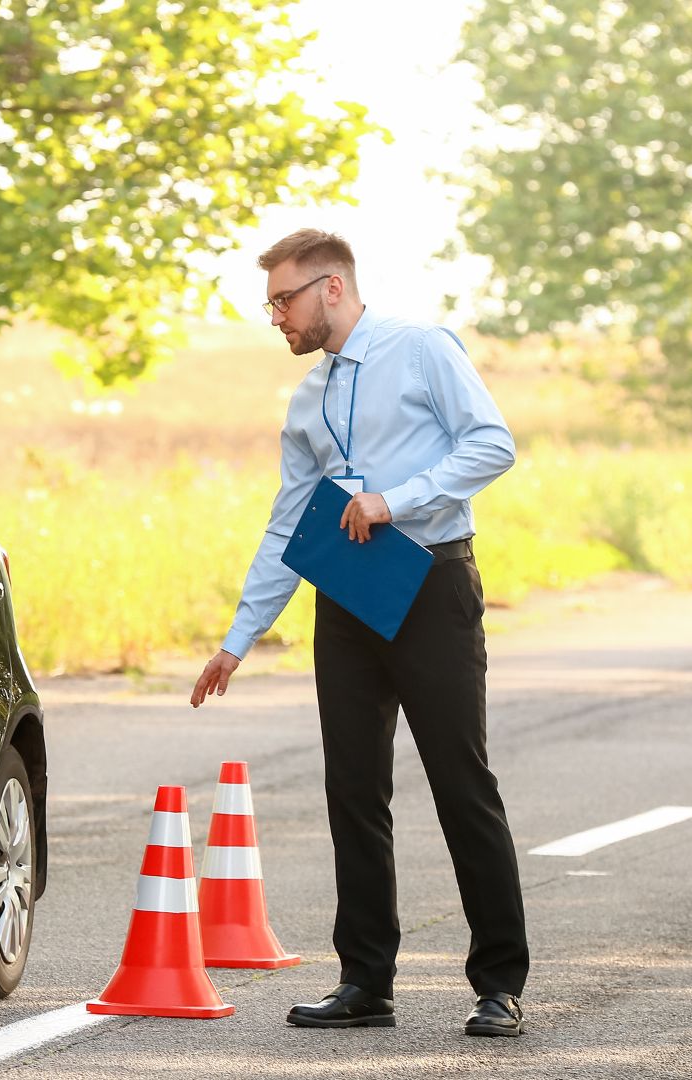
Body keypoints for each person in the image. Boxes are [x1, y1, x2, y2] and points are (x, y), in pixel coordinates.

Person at [190, 229, 529, 1037]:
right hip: (345, 591)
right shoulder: (307, 400)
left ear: (332, 288)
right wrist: (241, 637)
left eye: (284, 298)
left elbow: (493, 444)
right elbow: (288, 524)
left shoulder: (421, 351)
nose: (276, 315)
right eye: (271, 301)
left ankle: (500, 984)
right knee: (353, 791)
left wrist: (395, 499)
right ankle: (365, 981)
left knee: (460, 782)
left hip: (431, 579)